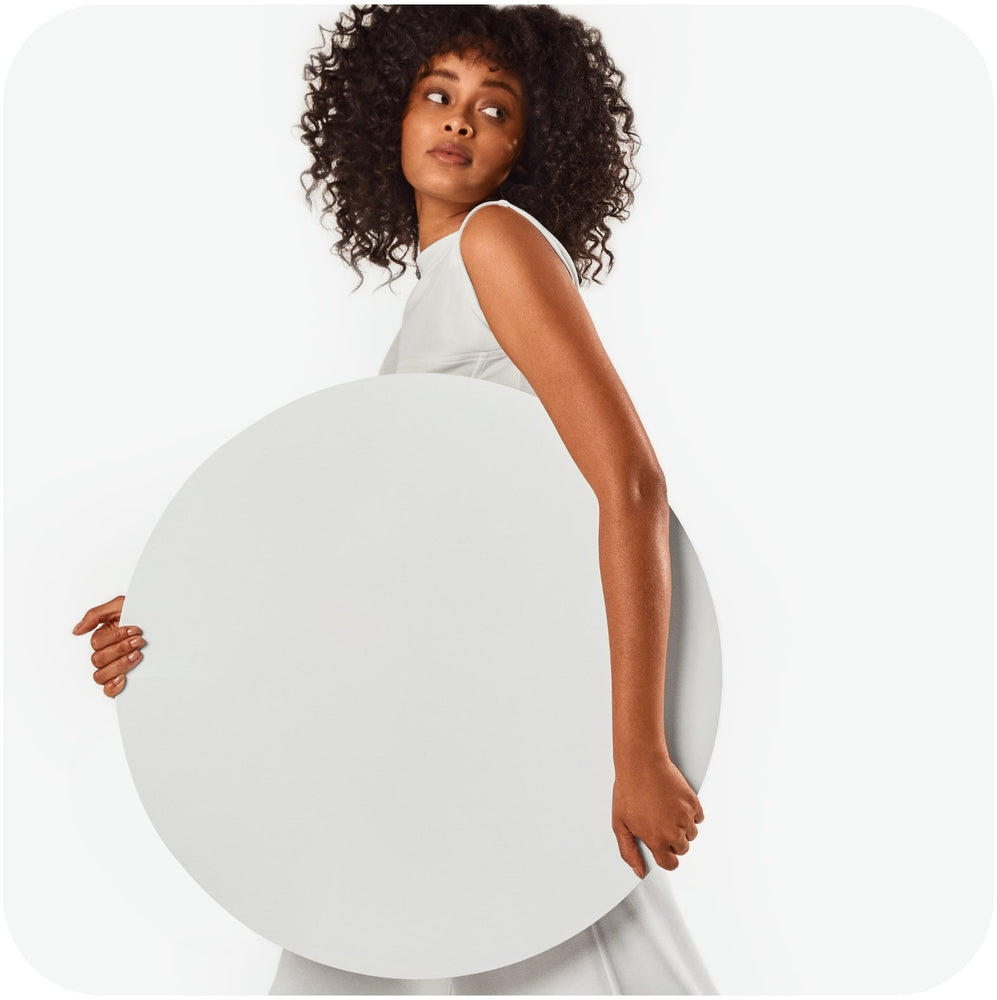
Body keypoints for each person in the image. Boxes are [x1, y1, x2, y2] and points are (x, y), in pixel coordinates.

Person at [73, 5, 715, 994]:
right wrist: (177, 612)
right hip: (454, 703)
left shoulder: (495, 244)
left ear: (526, 148)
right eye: (437, 95)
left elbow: (631, 482)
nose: (460, 120)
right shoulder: (440, 290)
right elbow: (384, 579)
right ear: (389, 115)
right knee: (353, 935)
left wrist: (639, 749)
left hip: (532, 705)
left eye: (494, 108)